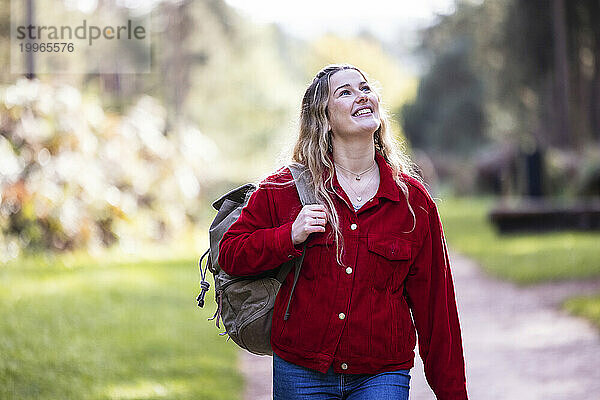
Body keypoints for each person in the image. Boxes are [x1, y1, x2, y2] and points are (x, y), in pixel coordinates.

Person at [218, 64, 468, 400]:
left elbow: (438, 312)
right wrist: (288, 236)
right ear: (323, 117)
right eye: (345, 92)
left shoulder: (412, 203)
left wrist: (453, 394)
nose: (361, 96)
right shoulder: (284, 189)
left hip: (382, 373)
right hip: (300, 370)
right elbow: (231, 255)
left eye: (365, 88)